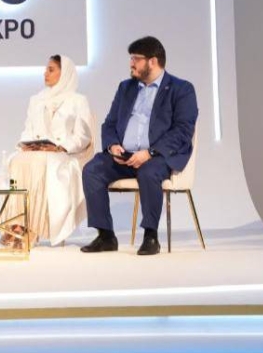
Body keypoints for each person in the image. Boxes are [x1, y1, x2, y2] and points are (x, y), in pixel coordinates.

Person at [81, 36, 198, 256]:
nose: (131, 63)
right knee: (92, 170)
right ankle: (106, 236)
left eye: (136, 59)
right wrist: (112, 146)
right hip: (124, 156)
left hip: (157, 156)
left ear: (152, 61)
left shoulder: (181, 89)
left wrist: (150, 153)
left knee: (149, 172)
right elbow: (110, 123)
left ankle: (151, 236)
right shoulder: (126, 88)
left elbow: (183, 130)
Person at [1, 54, 94, 248]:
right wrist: (28, 144)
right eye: (46, 69)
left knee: (40, 163)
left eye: (51, 70)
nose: (45, 73)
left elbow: (83, 136)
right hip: (38, 150)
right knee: (17, 160)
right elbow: (27, 129)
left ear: (64, 73)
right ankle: (17, 222)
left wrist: (61, 146)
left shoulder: (78, 100)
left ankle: (34, 227)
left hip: (63, 154)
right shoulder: (36, 99)